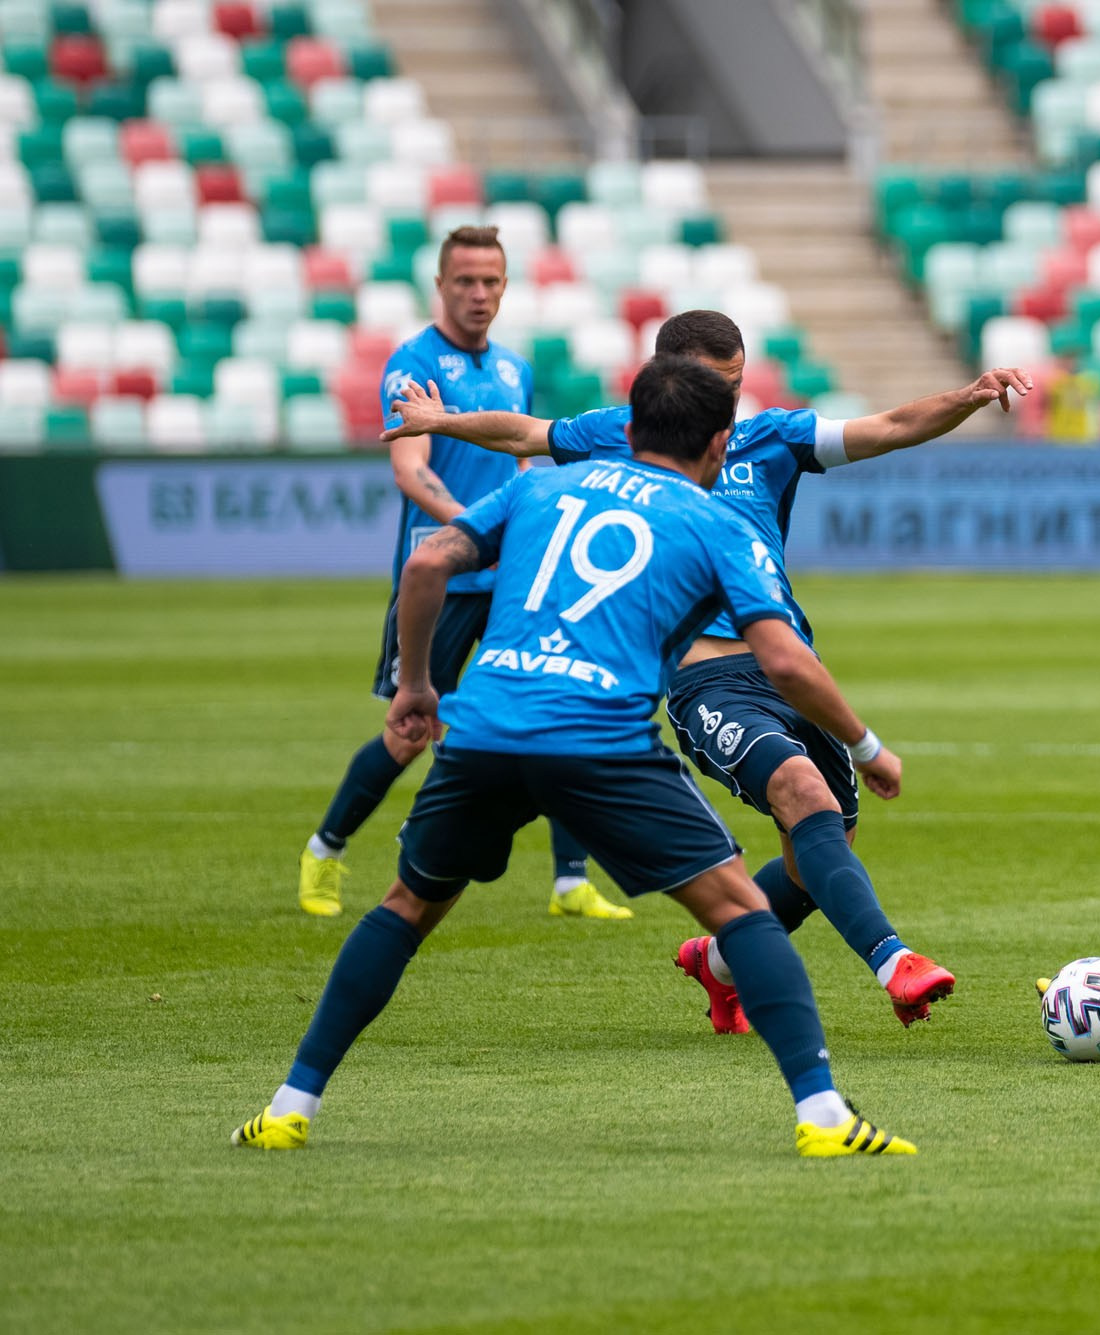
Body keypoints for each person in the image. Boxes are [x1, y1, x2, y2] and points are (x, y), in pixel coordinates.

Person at [233, 356, 917, 1157]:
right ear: (721, 443)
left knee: (406, 906)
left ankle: (288, 1105)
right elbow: (790, 663)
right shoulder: (713, 521)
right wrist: (867, 748)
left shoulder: (537, 487)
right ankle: (825, 1118)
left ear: (627, 431)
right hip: (599, 739)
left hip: (486, 727)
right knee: (740, 913)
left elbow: (426, 564)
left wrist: (417, 685)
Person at [381, 310, 1033, 1028]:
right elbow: (524, 433)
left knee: (819, 852)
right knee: (798, 788)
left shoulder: (770, 438)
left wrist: (966, 397)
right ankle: (894, 961)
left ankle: (717, 964)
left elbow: (887, 427)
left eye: (736, 385)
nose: (728, 407)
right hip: (709, 680)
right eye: (715, 388)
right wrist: (441, 422)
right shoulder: (620, 435)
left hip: (794, 673)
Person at [296, 226, 624, 923]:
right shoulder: (413, 365)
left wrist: (529, 522)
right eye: (466, 281)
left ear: (505, 287)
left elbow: (519, 462)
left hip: (505, 577)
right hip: (441, 582)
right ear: (440, 286)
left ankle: (571, 881)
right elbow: (410, 470)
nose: (479, 294)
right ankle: (325, 850)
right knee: (411, 730)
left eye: (492, 282)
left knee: (553, 702)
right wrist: (478, 532)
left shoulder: (511, 368)